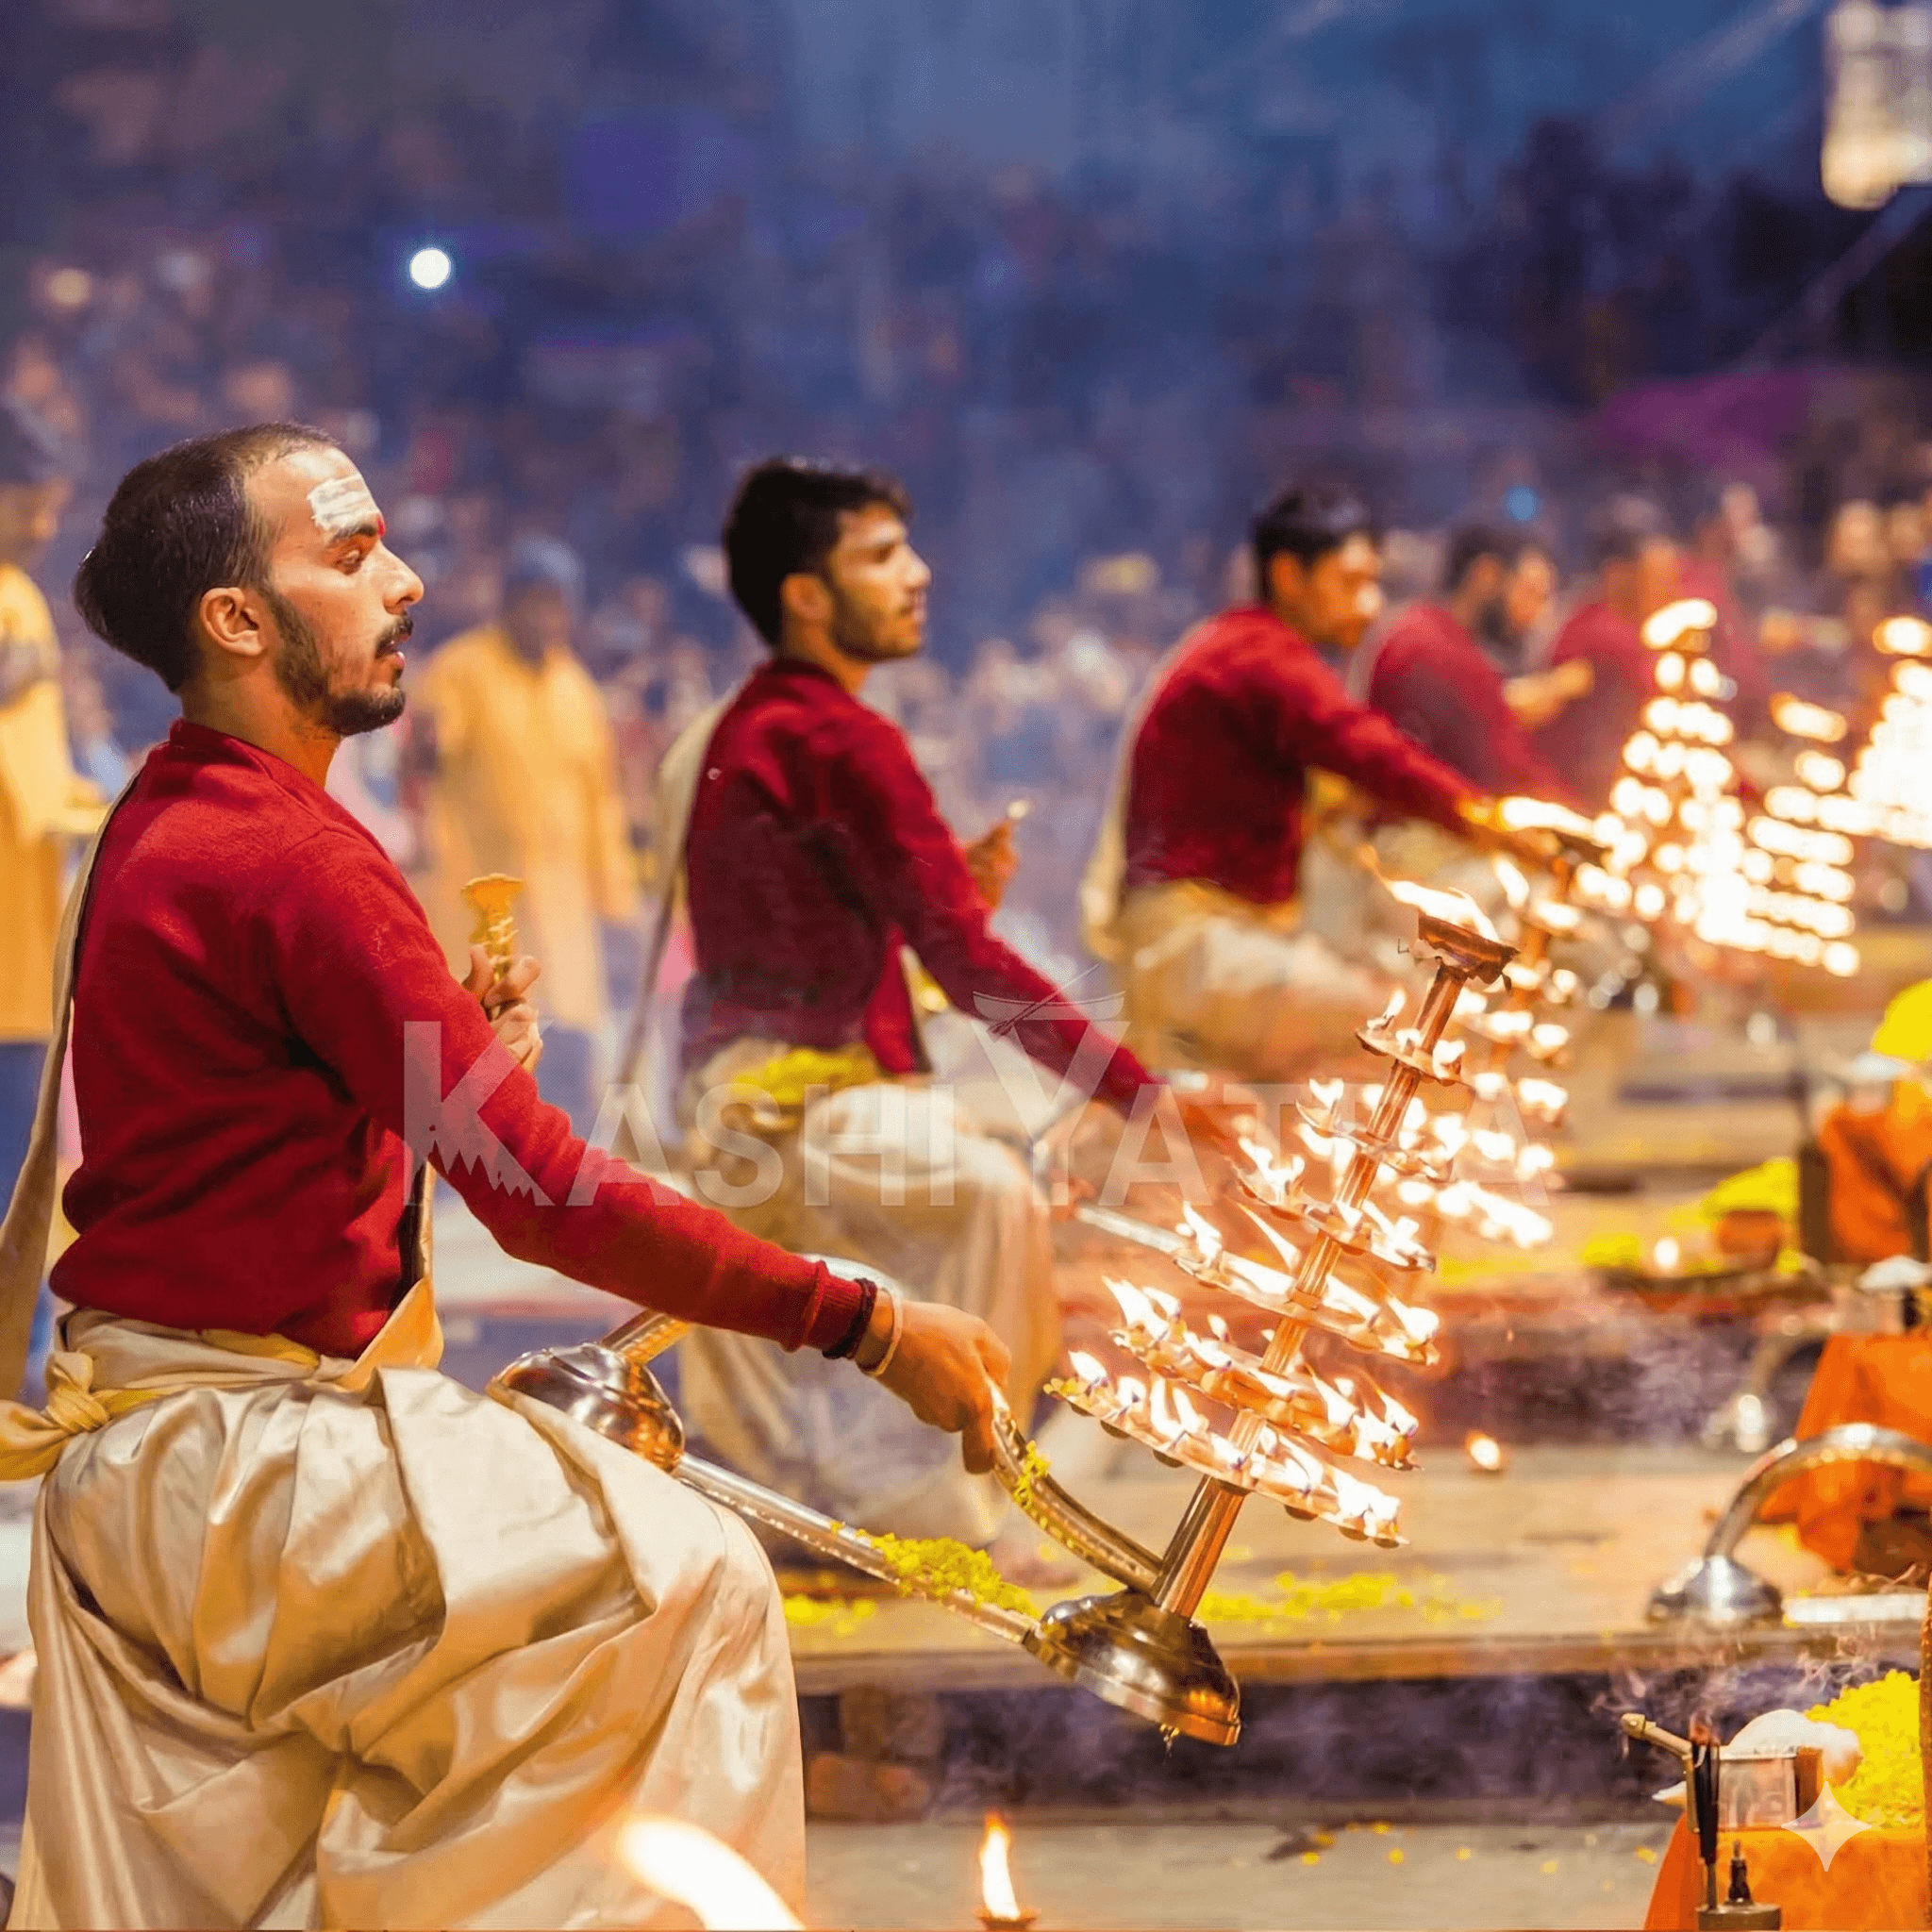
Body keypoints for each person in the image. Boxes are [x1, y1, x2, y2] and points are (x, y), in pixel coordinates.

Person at [4, 424, 1006, 1929]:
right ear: (238, 619)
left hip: (160, 1472)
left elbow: (266, 1141)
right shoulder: (298, 862)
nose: (407, 583)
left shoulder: (174, 810)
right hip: (238, 1481)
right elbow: (537, 1196)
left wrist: (466, 1062)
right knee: (693, 1582)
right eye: (350, 557)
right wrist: (864, 1322)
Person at [657, 458, 1173, 1563]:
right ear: (805, 593)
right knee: (991, 1191)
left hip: (759, 1091)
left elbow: (855, 935)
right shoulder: (838, 739)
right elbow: (967, 959)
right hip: (783, 1110)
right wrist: (1139, 1093)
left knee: (1005, 1175)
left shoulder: (762, 723)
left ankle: (914, 1484)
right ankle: (946, 1505)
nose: (918, 574)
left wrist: (946, 907)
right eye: (882, 554)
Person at [1081, 482, 1516, 1084]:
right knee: (1397, 1025)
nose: (1370, 606)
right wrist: (1492, 823)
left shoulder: (1245, 649)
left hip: (1215, 945)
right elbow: (1369, 751)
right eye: (1351, 582)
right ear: (1290, 577)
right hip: (1197, 950)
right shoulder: (1261, 657)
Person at [414, 534, 637, 1132]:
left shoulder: (578, 691)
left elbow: (602, 803)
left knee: (565, 1043)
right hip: (481, 902)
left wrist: (614, 897)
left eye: (557, 603)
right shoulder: (461, 670)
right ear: (507, 604)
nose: (546, 616)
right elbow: (429, 757)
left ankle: (566, 1181)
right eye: (533, 601)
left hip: (564, 913)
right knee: (482, 1042)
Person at [0, 401, 101, 1398]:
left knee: (22, 1188)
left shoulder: (22, 596)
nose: (41, 523)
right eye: (30, 503)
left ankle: (18, 1381)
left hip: (26, 959)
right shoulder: (16, 611)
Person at [1363, 524, 1579, 801]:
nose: (1536, 615)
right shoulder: (1443, 652)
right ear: (1485, 576)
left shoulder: (1420, 626)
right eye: (1530, 593)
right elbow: (1510, 771)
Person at [1527, 493, 1681, 808]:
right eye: (1654, 574)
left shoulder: (1597, 622)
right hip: (1578, 805)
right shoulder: (1605, 636)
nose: (1666, 588)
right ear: (1617, 573)